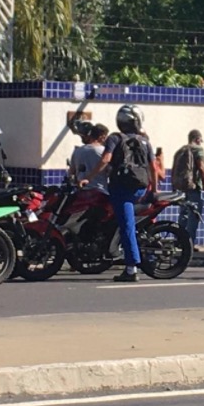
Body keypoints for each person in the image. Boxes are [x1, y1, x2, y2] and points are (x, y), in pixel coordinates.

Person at [81, 104, 156, 282]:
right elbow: (153, 166)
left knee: (126, 225)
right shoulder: (145, 141)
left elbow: (106, 159)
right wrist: (154, 188)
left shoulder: (115, 138)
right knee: (120, 221)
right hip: (141, 188)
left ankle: (131, 268)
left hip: (121, 188)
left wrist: (89, 178)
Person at [173, 129, 204, 250]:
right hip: (194, 187)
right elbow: (201, 168)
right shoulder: (198, 150)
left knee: (183, 215)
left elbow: (174, 169)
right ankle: (189, 245)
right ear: (198, 139)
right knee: (193, 217)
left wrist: (174, 186)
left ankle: (179, 242)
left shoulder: (181, 150)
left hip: (182, 188)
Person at [70, 122, 109, 192]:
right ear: (101, 136)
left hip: (81, 191)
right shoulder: (104, 152)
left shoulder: (77, 151)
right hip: (100, 191)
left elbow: (71, 172)